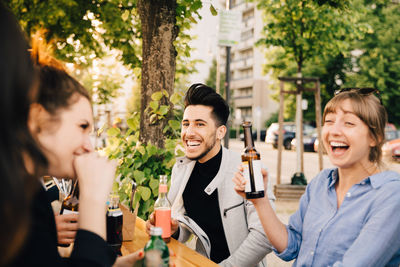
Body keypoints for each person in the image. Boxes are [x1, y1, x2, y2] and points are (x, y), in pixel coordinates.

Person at [0, 7, 143, 265]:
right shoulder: (15, 197)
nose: (89, 146)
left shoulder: (29, 192)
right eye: (82, 126)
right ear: (37, 119)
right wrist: (92, 199)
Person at [234, 88, 400, 266]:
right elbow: (292, 246)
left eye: (349, 123)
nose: (334, 131)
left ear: (375, 137)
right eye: (329, 121)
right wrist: (260, 200)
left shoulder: (391, 195)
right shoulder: (322, 182)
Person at [147, 83, 275, 267]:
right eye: (186, 124)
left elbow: (265, 236)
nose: (189, 132)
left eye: (200, 124)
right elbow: (185, 226)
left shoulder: (248, 169)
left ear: (220, 132)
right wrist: (174, 230)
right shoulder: (182, 169)